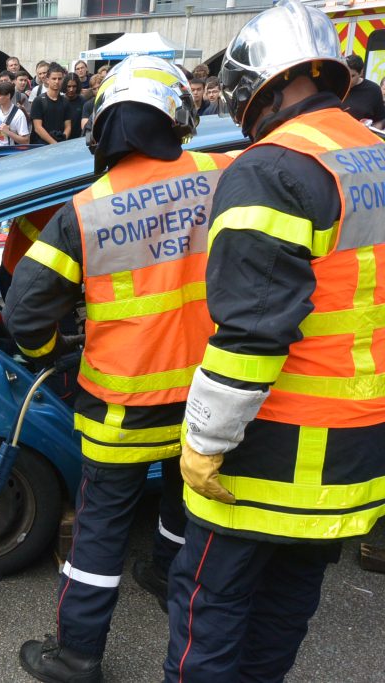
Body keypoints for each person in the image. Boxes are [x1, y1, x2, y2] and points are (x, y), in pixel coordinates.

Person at [164, 2, 385, 680]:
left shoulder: (270, 169)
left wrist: (203, 441)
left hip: (268, 450)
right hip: (357, 452)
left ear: (263, 83)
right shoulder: (373, 153)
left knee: (210, 613)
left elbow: (254, 331)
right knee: (286, 607)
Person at [5, 55, 230, 683]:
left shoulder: (83, 211)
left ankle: (78, 655)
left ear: (102, 125)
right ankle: (164, 572)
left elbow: (25, 313)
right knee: (190, 506)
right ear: (179, 115)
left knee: (101, 532)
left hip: (119, 407)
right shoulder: (226, 174)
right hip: (212, 398)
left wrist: (55, 358)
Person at [31, 64, 71, 144]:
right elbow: (38, 128)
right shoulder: (38, 101)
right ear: (47, 80)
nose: (57, 81)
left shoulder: (65, 101)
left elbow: (68, 126)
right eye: (54, 78)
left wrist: (62, 140)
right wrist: (54, 144)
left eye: (59, 79)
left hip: (60, 145)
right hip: (41, 146)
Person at [342, 53, 385, 127]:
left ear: (361, 72)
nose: (348, 79)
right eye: (345, 74)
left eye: (353, 76)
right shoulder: (335, 86)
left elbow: (380, 120)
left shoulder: (373, 90)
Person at [0, 82, 30, 148]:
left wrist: (8, 132)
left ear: (8, 96)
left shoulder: (19, 114)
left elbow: (26, 141)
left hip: (9, 153)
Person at [62, 74, 86, 139]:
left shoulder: (83, 101)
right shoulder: (60, 101)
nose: (71, 89)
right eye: (68, 86)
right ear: (64, 86)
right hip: (62, 139)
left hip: (78, 139)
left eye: (74, 86)